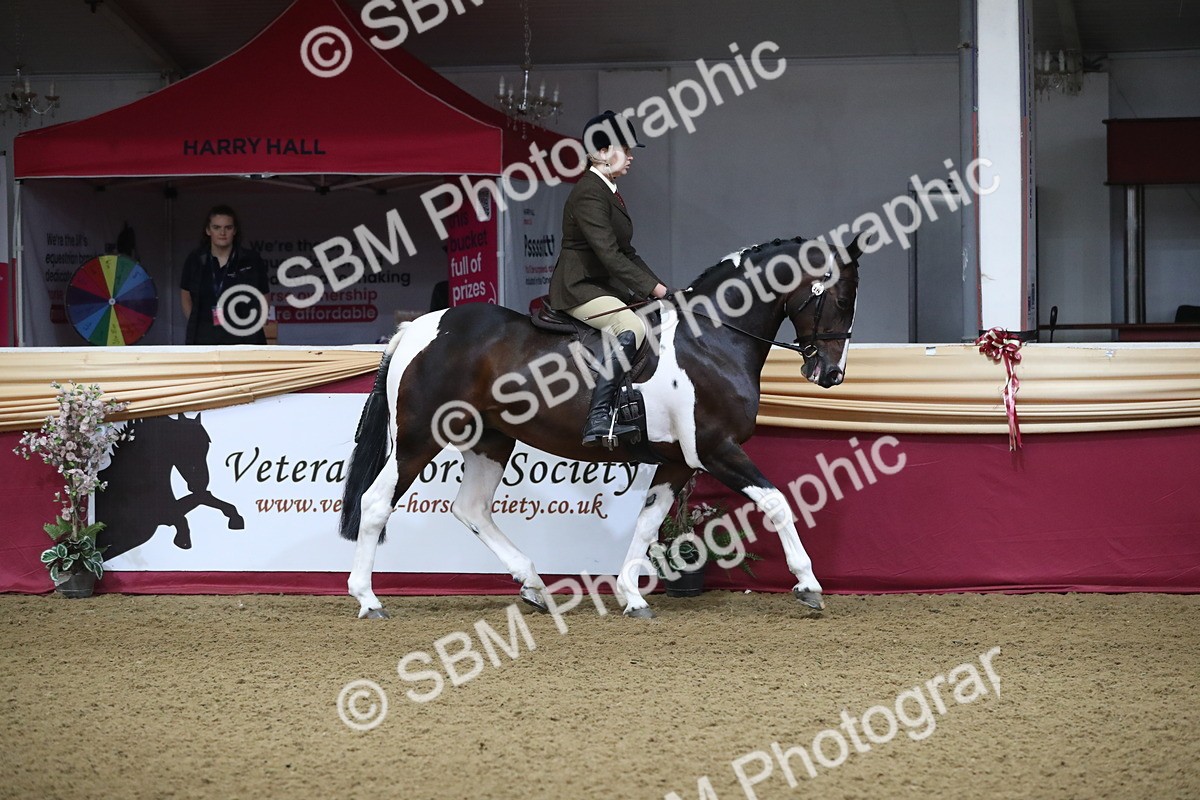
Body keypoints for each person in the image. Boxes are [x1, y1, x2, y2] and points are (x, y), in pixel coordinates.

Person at [548, 110, 668, 448]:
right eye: (625, 149)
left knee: (657, 318)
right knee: (631, 328)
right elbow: (609, 256)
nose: (630, 157)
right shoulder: (589, 192)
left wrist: (663, 289)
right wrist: (654, 288)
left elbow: (626, 252)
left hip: (603, 284)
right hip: (580, 287)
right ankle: (599, 416)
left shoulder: (608, 190)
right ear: (601, 152)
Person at [180, 205, 270, 345]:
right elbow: (185, 295)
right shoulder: (196, 259)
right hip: (204, 335)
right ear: (208, 231)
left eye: (228, 228)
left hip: (244, 334)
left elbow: (263, 294)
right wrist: (196, 321)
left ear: (234, 231)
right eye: (216, 227)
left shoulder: (251, 259)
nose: (222, 232)